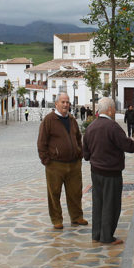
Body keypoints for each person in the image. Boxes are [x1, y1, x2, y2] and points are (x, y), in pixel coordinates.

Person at [83, 97, 134, 245]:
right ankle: (107, 237)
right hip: (111, 172)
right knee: (111, 204)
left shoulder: (90, 127)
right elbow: (128, 145)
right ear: (109, 110)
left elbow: (86, 154)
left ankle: (97, 234)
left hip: (96, 172)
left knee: (98, 203)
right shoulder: (112, 127)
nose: (114, 111)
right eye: (113, 108)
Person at [36, 93, 88, 230]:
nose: (66, 105)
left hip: (74, 164)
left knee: (75, 192)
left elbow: (78, 137)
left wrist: (79, 153)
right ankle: (56, 219)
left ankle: (76, 217)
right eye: (63, 102)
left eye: (67, 102)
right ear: (56, 104)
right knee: (54, 193)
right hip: (55, 164)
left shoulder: (72, 119)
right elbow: (42, 142)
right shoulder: (49, 120)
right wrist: (46, 160)